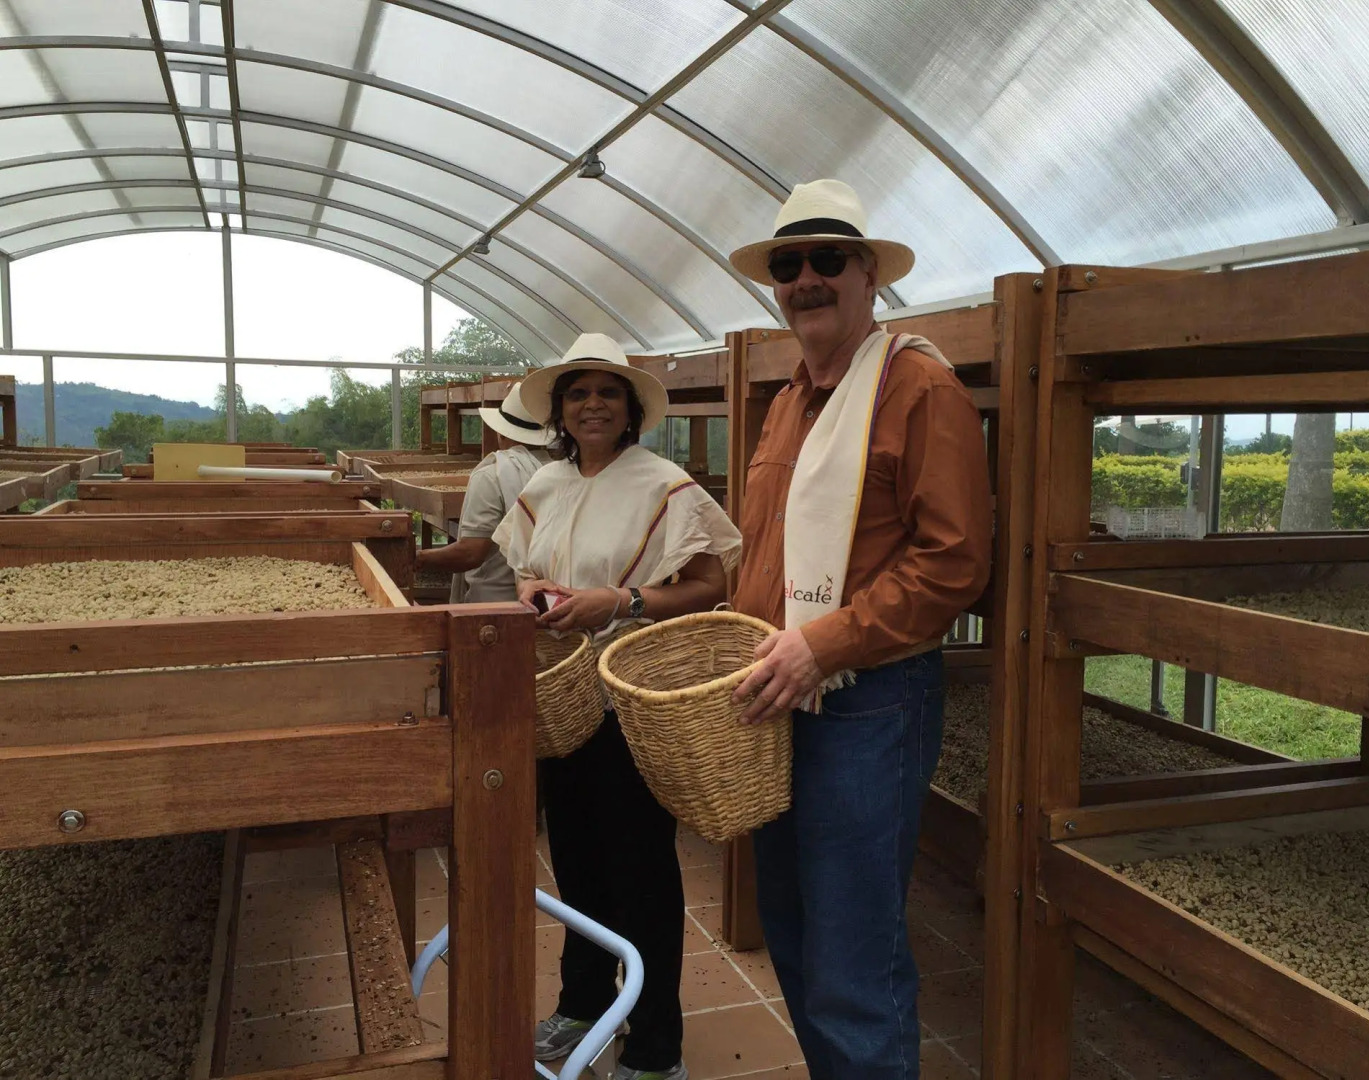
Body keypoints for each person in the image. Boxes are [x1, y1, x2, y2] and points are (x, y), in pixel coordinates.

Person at [727, 179, 993, 1079]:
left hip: (868, 701)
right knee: (795, 928)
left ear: (868, 273)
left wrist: (822, 645)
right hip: (781, 695)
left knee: (852, 954)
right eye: (789, 264)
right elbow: (762, 550)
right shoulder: (790, 401)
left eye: (827, 259)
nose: (807, 279)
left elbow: (953, 562)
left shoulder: (918, 386)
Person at [493, 333, 742, 1080]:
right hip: (563, 702)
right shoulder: (545, 487)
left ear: (631, 410)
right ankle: (581, 1006)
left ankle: (657, 1045)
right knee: (576, 861)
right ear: (560, 413)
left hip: (631, 703)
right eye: (578, 393)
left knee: (641, 871)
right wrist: (531, 593)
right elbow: (524, 573)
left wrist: (625, 600)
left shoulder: (663, 485)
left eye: (608, 392)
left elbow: (710, 584)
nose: (592, 404)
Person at [414, 383, 553, 603]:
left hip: (496, 605)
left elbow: (471, 552)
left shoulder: (492, 476)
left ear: (501, 432)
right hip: (550, 602)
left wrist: (419, 557)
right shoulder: (561, 471)